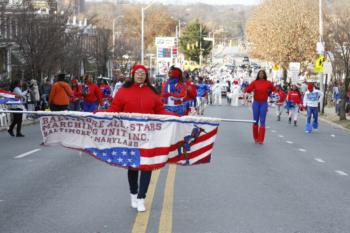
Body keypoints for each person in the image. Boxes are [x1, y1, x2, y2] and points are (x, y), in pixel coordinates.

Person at [103, 64, 173, 212]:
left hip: (148, 137)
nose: (140, 75)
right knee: (133, 167)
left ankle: (142, 198)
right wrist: (101, 115)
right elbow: (114, 108)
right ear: (133, 74)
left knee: (146, 167)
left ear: (146, 76)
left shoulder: (153, 92)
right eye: (138, 73)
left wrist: (178, 117)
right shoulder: (123, 91)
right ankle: (133, 194)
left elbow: (160, 111)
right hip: (130, 136)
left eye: (143, 73)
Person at [244, 70, 276, 144]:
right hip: (256, 103)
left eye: (262, 74)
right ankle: (255, 138)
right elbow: (247, 89)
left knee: (262, 121)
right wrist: (248, 91)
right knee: (255, 121)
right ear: (258, 75)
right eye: (260, 74)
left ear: (264, 75)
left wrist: (271, 93)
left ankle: (261, 139)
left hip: (264, 103)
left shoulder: (268, 83)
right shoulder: (254, 82)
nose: (261, 75)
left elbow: (275, 90)